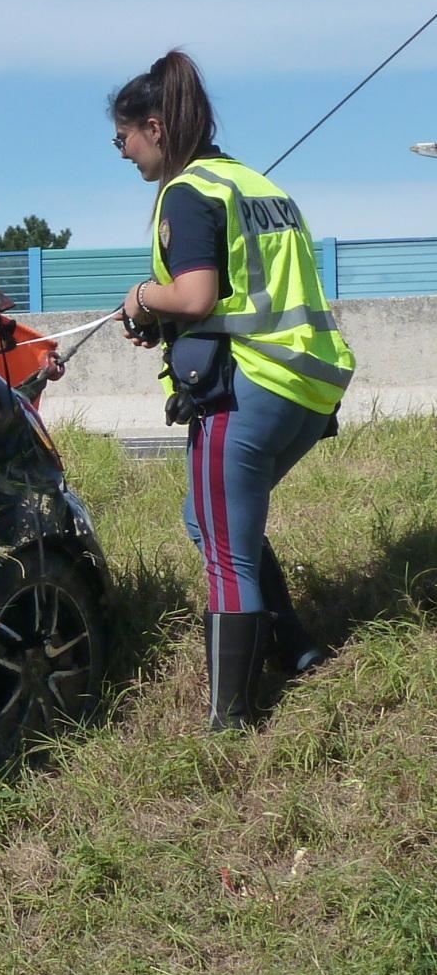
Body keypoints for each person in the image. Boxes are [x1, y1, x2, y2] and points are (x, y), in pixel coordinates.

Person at [111, 49, 355, 730]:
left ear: (153, 127)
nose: (122, 153)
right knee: (208, 518)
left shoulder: (187, 192)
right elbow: (237, 293)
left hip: (248, 388)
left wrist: (138, 297)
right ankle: (295, 645)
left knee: (223, 551)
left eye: (121, 138)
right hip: (308, 387)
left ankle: (231, 722)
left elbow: (192, 293)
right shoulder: (255, 184)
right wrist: (162, 317)